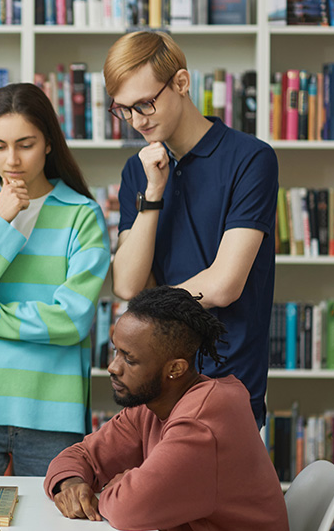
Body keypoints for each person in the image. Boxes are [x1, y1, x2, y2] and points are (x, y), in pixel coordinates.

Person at [44, 286, 288, 531]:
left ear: (175, 368)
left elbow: (130, 507)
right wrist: (72, 483)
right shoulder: (151, 405)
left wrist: (124, 484)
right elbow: (80, 455)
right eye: (116, 351)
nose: (114, 368)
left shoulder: (204, 423)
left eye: (129, 359)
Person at [0, 82, 111, 476]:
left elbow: (72, 320)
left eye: (25, 144)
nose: (11, 160)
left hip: (53, 411)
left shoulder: (82, 216)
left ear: (49, 143)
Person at [105, 31, 278, 429]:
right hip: (157, 387)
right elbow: (128, 285)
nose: (136, 121)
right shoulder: (139, 169)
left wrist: (150, 303)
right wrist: (152, 195)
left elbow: (223, 285)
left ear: (181, 83)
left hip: (228, 381)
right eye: (124, 109)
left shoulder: (251, 159)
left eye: (145, 103)